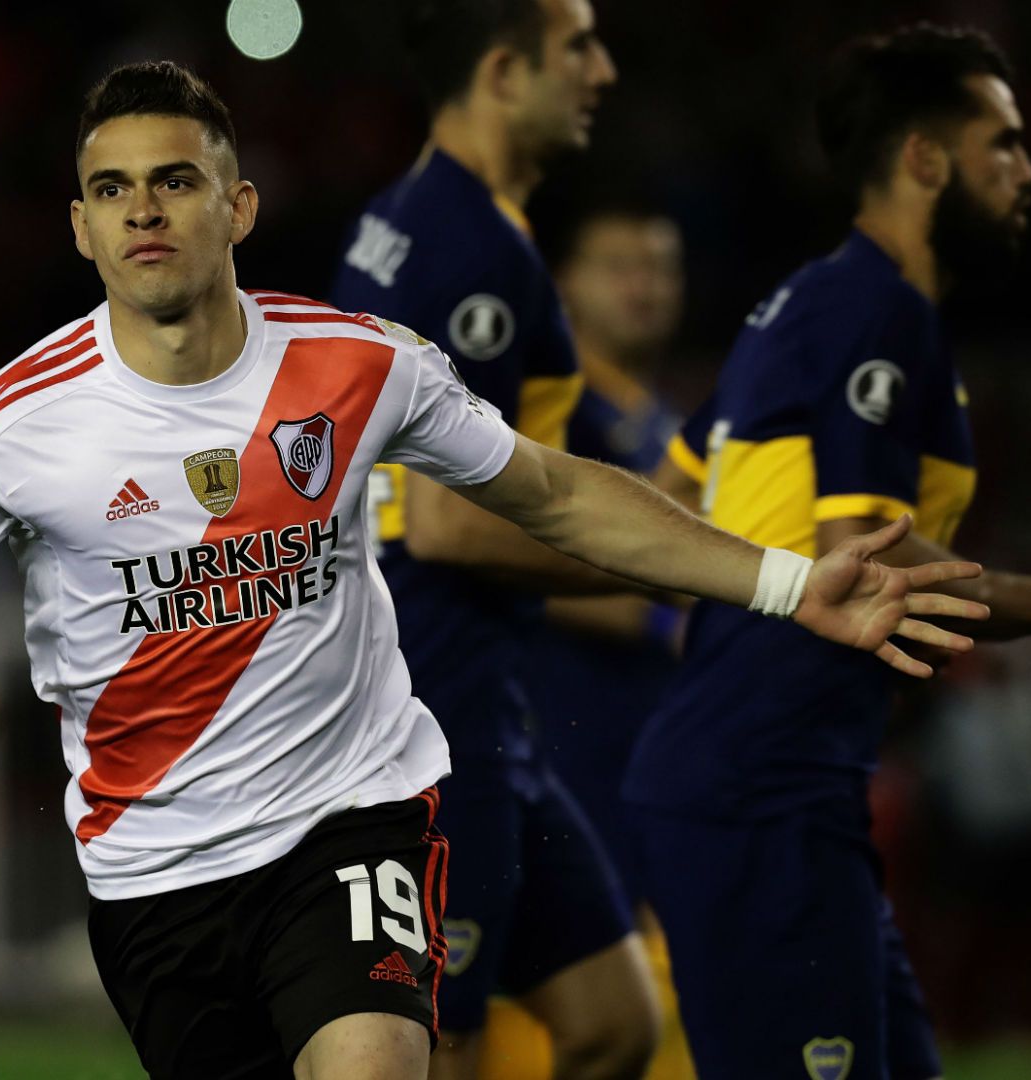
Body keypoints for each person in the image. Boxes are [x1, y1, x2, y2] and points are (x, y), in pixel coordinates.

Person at [0, 61, 986, 1080]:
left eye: (178, 180)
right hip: (155, 875)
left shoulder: (351, 363)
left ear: (234, 209)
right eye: (115, 186)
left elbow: (562, 500)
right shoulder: (5, 429)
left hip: (356, 816)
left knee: (382, 1063)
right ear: (78, 226)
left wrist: (791, 580)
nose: (147, 206)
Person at [623, 25, 1031, 1080]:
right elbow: (867, 563)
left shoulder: (803, 306)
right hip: (762, 791)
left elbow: (661, 504)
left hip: (773, 785)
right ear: (924, 158)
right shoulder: (875, 312)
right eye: (1003, 143)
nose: (1028, 170)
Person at [331, 3, 661, 1077]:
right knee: (443, 1047)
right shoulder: (472, 249)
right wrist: (668, 560)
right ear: (505, 72)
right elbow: (450, 520)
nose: (604, 72)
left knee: (615, 1022)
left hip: (484, 701)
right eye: (580, 48)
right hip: (439, 710)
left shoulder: (405, 218)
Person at [480, 202, 697, 1080]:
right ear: (566, 282)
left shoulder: (654, 417)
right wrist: (672, 611)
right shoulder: (558, 415)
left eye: (661, 267)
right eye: (620, 266)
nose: (644, 288)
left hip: (639, 746)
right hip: (565, 732)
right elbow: (508, 550)